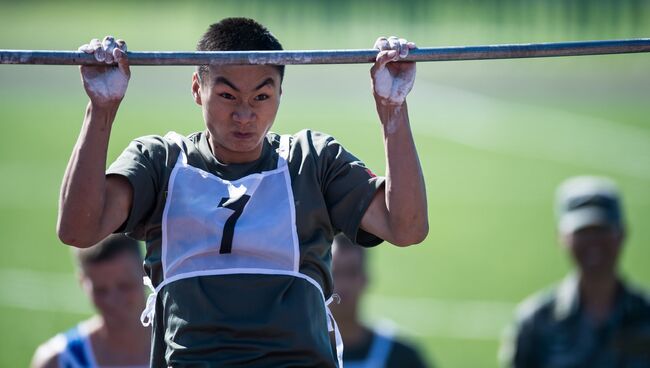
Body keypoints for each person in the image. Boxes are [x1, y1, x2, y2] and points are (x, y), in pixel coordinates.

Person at [57, 18, 428, 367]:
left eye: (262, 97)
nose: (245, 115)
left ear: (281, 94)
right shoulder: (160, 161)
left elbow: (406, 227)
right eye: (228, 96)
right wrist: (101, 109)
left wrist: (392, 109)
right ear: (197, 89)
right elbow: (78, 229)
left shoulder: (311, 160)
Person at [499, 176, 650, 367]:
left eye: (602, 230)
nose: (593, 241)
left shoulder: (645, 315)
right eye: (582, 232)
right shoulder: (535, 322)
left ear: (622, 233)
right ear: (561, 237)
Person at [31, 234, 150, 368]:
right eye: (100, 290)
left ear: (147, 271)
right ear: (82, 282)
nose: (113, 300)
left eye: (125, 286)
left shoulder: (176, 344)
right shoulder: (59, 360)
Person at [330, 234, 431, 368]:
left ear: (365, 279)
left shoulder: (400, 356)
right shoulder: (299, 352)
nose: (343, 285)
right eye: (335, 273)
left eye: (351, 272)